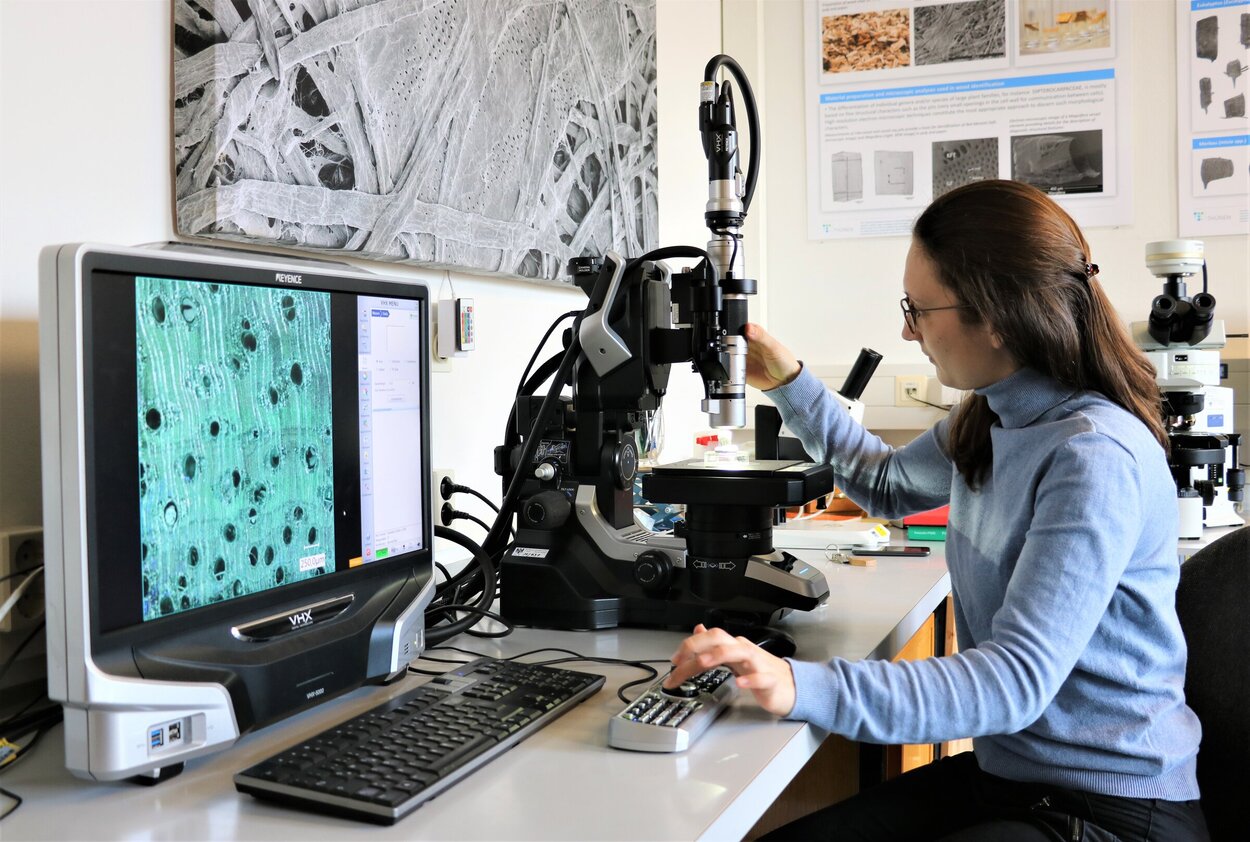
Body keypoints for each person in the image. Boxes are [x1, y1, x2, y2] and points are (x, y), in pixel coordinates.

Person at [665, 180, 1209, 841]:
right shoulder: (994, 411)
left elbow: (1012, 682)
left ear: (998, 318)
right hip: (1010, 776)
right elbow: (888, 484)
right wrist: (788, 381)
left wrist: (800, 686)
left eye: (919, 309)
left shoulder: (1093, 456)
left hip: (1110, 810)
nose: (907, 329)